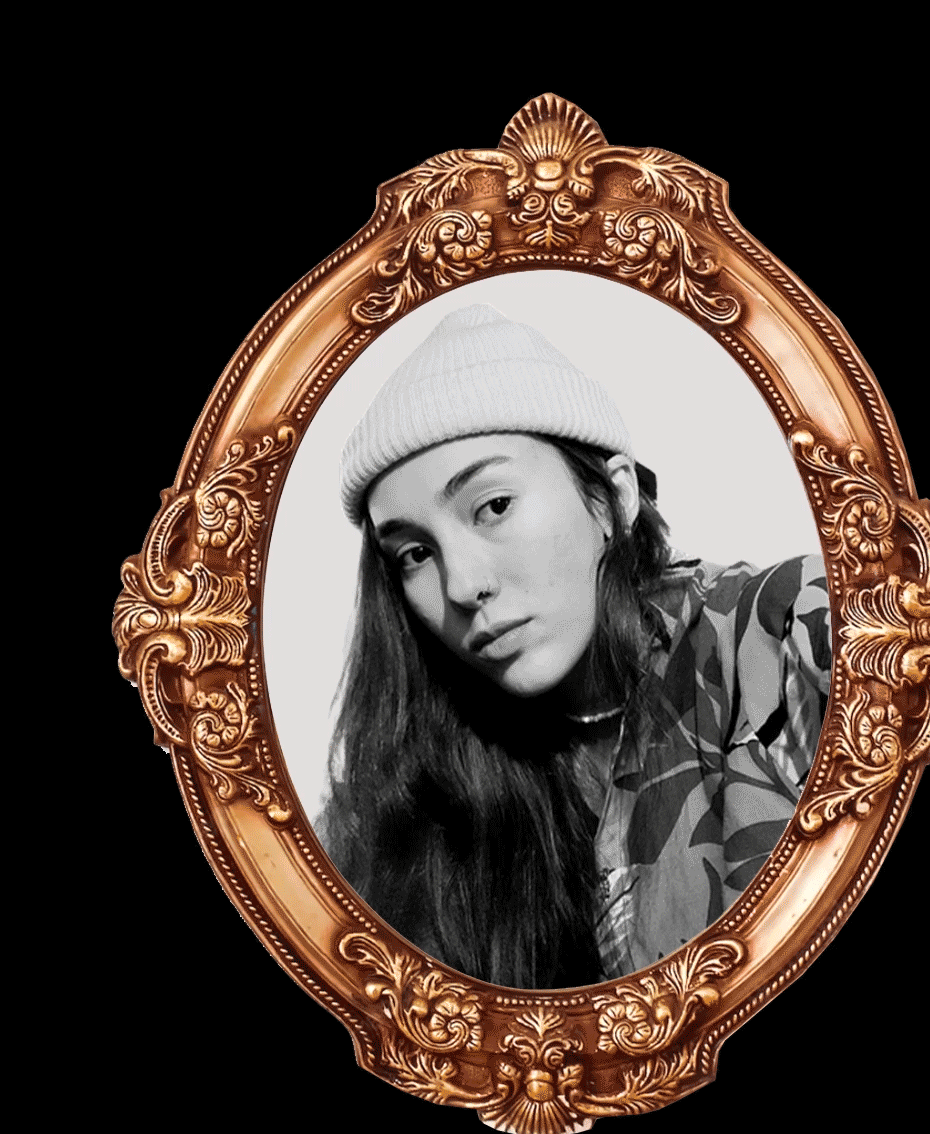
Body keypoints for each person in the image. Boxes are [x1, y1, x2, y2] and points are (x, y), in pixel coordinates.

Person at [319, 303, 830, 990]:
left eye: (494, 506)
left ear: (613, 498)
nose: (463, 585)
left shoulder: (795, 631)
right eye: (414, 553)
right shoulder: (401, 802)